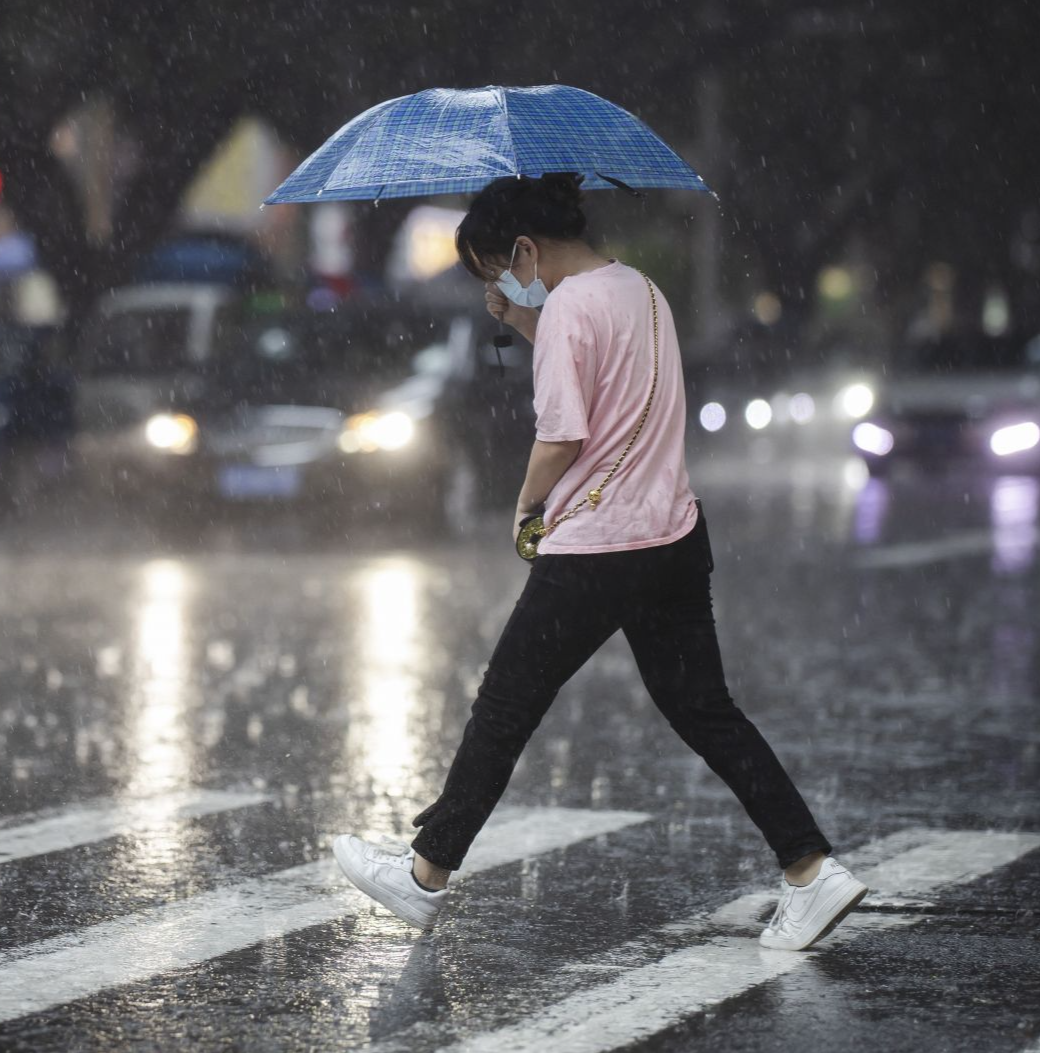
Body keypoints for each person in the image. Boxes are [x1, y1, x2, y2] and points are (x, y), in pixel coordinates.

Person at [331, 172, 864, 949]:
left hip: (596, 546)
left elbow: (564, 436)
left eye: (497, 270)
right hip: (673, 536)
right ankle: (812, 870)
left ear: (524, 247)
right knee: (706, 711)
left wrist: (523, 507)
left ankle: (423, 875)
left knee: (505, 703)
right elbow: (604, 377)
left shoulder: (572, 306)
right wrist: (519, 318)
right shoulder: (639, 291)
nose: (501, 284)